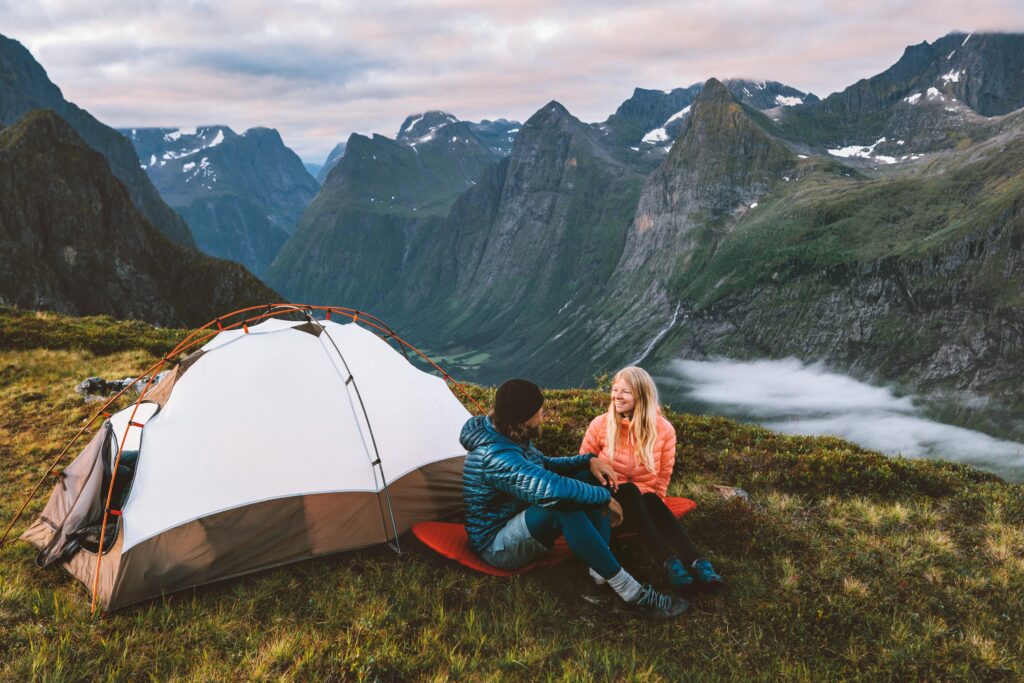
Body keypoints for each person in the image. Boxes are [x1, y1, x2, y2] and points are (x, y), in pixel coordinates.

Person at [461, 378, 688, 619]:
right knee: (563, 506)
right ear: (523, 419)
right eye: (540, 412)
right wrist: (602, 499)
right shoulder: (496, 456)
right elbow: (553, 490)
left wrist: (587, 461)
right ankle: (632, 594)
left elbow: (543, 465)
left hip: (517, 519)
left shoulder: (507, 434)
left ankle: (597, 581)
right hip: (497, 546)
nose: (543, 415)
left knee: (589, 478)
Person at [579, 366, 724, 590]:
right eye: (615, 389)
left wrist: (656, 500)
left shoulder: (663, 430)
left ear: (641, 394)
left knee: (650, 499)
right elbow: (584, 464)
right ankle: (667, 559)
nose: (617, 395)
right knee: (629, 491)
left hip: (644, 502)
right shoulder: (600, 424)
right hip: (607, 506)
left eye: (625, 391)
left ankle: (696, 561)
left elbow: (664, 473)